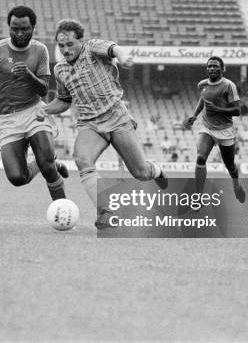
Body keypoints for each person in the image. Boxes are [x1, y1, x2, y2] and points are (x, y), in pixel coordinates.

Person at [36, 19, 167, 228]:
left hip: (116, 117)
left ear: (81, 41)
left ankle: (156, 170)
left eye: (70, 44)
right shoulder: (59, 69)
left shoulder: (92, 48)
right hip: (90, 124)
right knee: (82, 159)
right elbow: (64, 101)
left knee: (140, 172)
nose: (65, 49)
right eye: (61, 46)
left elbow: (113, 48)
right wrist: (45, 109)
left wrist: (123, 57)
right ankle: (106, 212)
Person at [0, 5, 68, 201]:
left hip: (34, 112)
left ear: (33, 28)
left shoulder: (40, 50)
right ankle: (51, 161)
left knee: (47, 168)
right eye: (14, 28)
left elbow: (43, 89)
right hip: (7, 120)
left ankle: (63, 209)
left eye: (24, 29)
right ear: (9, 27)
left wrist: (28, 76)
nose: (19, 33)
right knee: (18, 178)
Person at [184, 56, 245, 205]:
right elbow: (202, 99)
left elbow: (237, 110)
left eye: (215, 66)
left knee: (230, 165)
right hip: (207, 127)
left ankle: (236, 184)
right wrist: (194, 115)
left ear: (222, 69)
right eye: (209, 66)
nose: (211, 69)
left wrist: (218, 109)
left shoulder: (228, 86)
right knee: (200, 158)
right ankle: (198, 197)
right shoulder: (203, 84)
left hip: (225, 130)